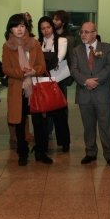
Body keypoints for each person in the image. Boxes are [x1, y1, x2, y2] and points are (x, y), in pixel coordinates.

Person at [2, 13, 52, 165]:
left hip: (35, 88)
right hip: (18, 88)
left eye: (22, 26)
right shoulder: (7, 46)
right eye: (16, 26)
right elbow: (6, 68)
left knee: (39, 122)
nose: (19, 29)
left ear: (27, 27)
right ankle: (22, 152)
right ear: (11, 28)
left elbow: (42, 66)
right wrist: (22, 73)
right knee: (19, 121)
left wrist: (33, 71)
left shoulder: (35, 43)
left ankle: (40, 151)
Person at [69, 22, 110, 168]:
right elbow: (74, 70)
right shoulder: (76, 51)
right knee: (88, 126)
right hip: (84, 93)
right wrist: (86, 81)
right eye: (81, 32)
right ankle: (90, 153)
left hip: (102, 92)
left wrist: (94, 81)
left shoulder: (107, 48)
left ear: (94, 33)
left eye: (86, 32)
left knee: (106, 126)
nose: (83, 34)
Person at [37, 16, 71, 152]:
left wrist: (49, 61)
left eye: (48, 27)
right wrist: (52, 62)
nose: (46, 30)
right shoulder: (37, 43)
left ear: (52, 27)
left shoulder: (62, 40)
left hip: (58, 80)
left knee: (60, 112)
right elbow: (36, 60)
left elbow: (60, 56)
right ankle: (43, 141)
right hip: (42, 80)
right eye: (43, 28)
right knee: (43, 111)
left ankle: (64, 142)